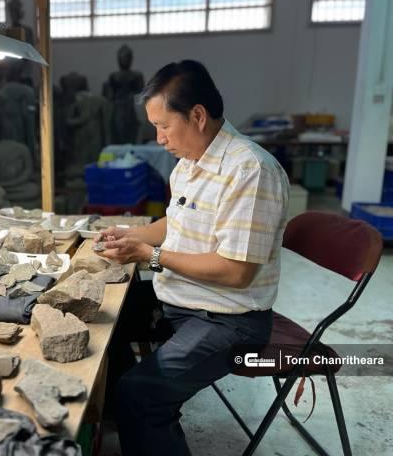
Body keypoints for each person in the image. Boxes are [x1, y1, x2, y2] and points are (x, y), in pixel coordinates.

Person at [95, 60, 289, 456]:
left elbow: (236, 273)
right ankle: (126, 420)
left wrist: (152, 256)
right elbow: (175, 222)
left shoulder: (250, 170)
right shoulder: (189, 162)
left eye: (164, 126)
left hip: (231, 320)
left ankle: (137, 410)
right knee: (99, 317)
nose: (159, 137)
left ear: (198, 116)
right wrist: (130, 235)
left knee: (140, 396)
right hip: (184, 298)